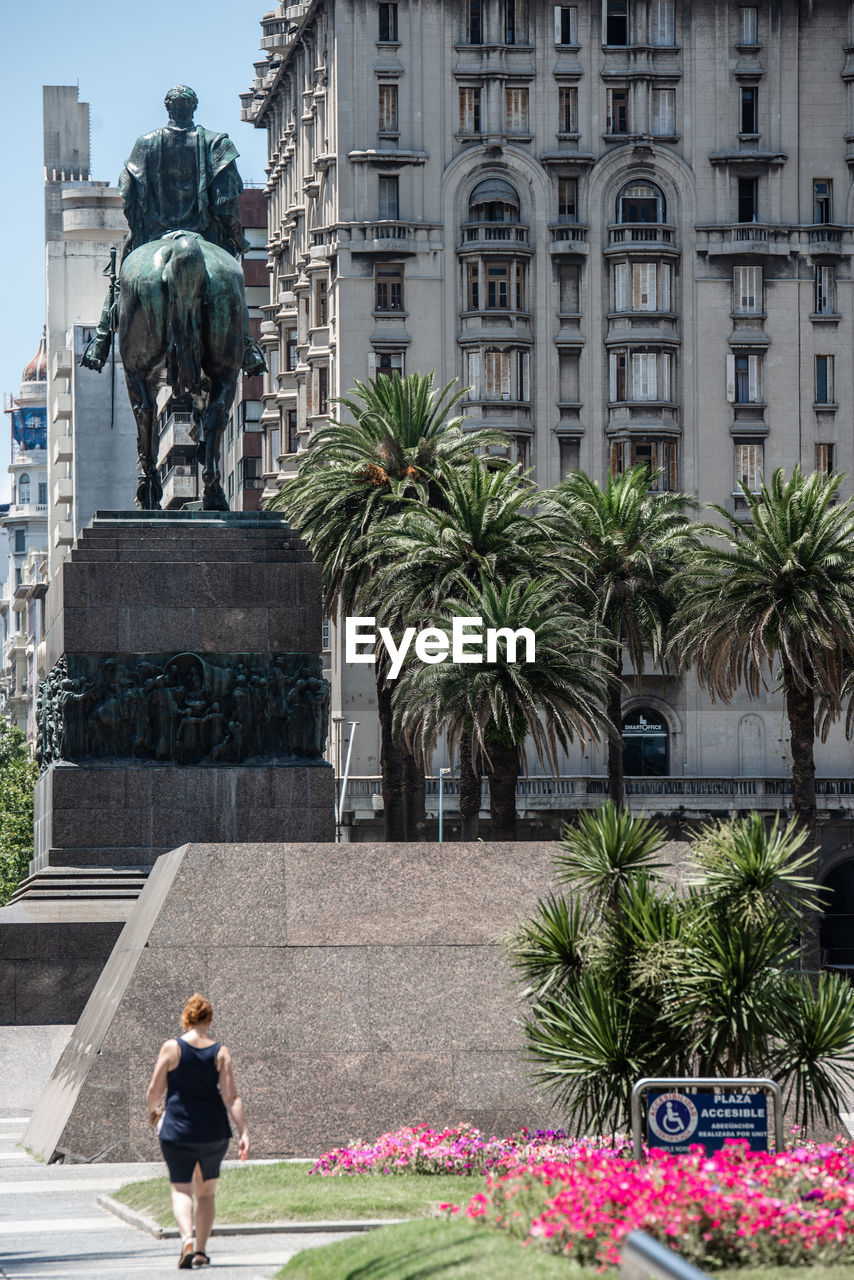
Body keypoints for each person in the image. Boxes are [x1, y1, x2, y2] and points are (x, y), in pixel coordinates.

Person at [81, 85, 265, 376]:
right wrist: (236, 237)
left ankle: (101, 340)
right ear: (194, 108)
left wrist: (142, 226)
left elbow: (128, 192)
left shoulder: (146, 143)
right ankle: (247, 345)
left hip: (154, 236)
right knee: (234, 283)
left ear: (167, 109)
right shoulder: (215, 143)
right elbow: (225, 201)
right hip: (205, 237)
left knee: (119, 281)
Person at [146, 993, 250, 1269]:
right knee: (206, 1192)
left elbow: (153, 1092)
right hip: (213, 1132)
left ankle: (187, 1241)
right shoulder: (220, 1052)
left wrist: (151, 1114)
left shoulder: (171, 1048)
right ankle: (201, 1251)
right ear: (210, 1020)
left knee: (181, 1189)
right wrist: (244, 1133)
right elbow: (231, 1097)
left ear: (185, 1019)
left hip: (176, 1130)